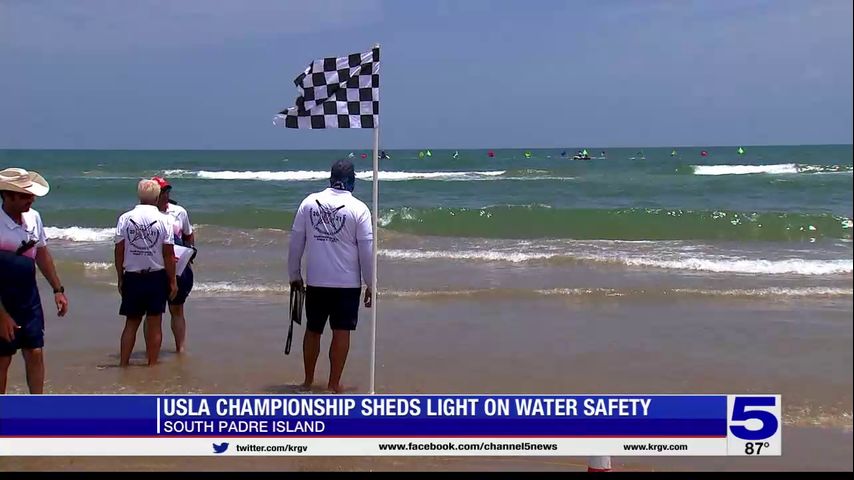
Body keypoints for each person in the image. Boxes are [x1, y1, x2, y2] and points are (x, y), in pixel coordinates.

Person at [288, 159, 373, 393]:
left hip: (316, 280)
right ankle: (333, 384)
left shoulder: (309, 203)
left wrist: (294, 275)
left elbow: (296, 242)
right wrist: (371, 283)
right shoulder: (359, 208)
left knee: (313, 329)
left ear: (330, 177)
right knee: (341, 331)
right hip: (346, 283)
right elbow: (367, 251)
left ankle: (307, 381)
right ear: (352, 180)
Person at [0, 168, 69, 394]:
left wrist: (57, 289)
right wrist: (2, 315)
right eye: (26, 195)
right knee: (3, 359)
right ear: (7, 196)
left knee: (35, 352)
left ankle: (37, 407)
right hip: (2, 300)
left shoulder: (34, 218)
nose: (32, 199)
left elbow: (41, 254)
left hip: (28, 297)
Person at [114, 179, 177, 367]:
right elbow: (168, 254)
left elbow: (119, 250)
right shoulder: (165, 219)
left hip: (132, 275)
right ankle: (152, 363)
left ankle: (123, 364)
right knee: (155, 323)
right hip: (156, 276)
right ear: (157, 196)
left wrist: (120, 276)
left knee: (131, 324)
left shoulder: (125, 218)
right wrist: (172, 280)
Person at [152, 176, 195, 353]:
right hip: (156, 268)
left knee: (177, 309)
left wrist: (189, 253)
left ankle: (181, 348)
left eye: (167, 191)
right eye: (162, 191)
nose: (165, 195)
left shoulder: (179, 212)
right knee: (153, 313)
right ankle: (152, 349)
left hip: (177, 268)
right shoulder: (147, 214)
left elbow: (188, 234)